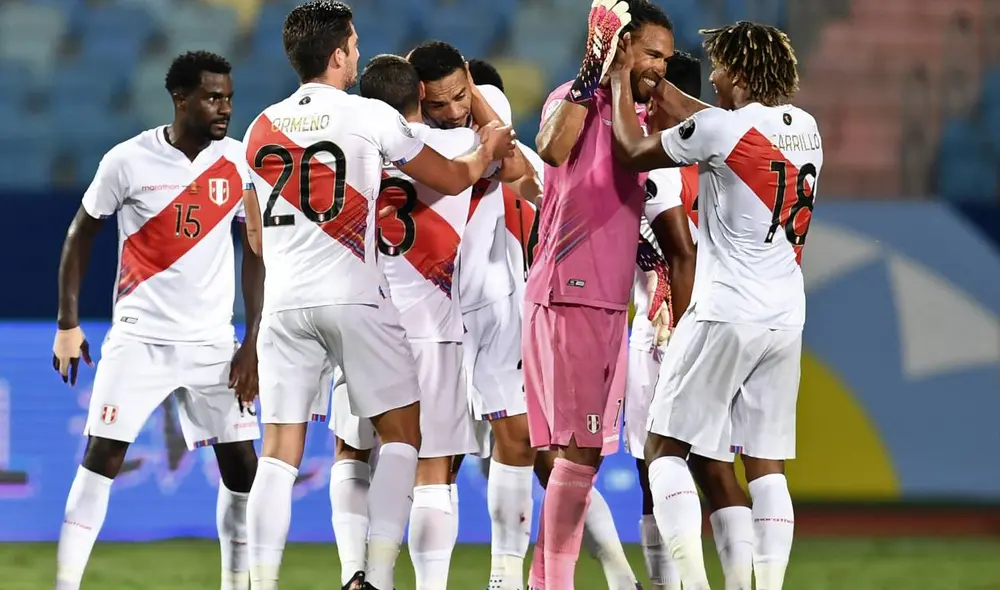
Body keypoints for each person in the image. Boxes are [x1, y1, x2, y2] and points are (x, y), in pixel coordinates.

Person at [239, 3, 515, 590]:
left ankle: (257, 582)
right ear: (338, 54)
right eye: (354, 44)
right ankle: (377, 578)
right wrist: (487, 146)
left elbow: (256, 238)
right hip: (357, 300)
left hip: (285, 306)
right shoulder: (368, 114)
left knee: (279, 452)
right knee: (402, 437)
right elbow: (454, 176)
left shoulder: (258, 128)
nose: (358, 54)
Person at [609, 21, 821, 590]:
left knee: (664, 450)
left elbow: (631, 151)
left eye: (723, 66)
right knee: (766, 465)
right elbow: (719, 121)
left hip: (725, 310)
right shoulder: (806, 128)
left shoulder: (718, 130)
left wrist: (619, 83)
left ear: (743, 74)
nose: (716, 75)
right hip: (786, 317)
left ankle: (694, 586)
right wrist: (659, 88)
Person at [51, 50, 264, 590]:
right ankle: (65, 584)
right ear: (181, 99)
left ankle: (237, 585)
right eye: (213, 98)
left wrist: (253, 340)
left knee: (244, 470)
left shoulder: (239, 163)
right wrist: (67, 323)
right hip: (139, 340)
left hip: (214, 344)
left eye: (229, 98)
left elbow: (258, 253)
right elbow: (82, 233)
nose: (224, 109)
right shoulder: (127, 160)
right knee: (102, 456)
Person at [328, 53, 513, 590]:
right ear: (421, 98)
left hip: (365, 319)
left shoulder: (350, 152)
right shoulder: (458, 146)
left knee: (352, 450)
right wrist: (469, 91)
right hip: (434, 328)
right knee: (433, 471)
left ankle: (356, 575)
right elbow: (503, 142)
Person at [524, 1, 674, 588]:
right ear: (623, 46)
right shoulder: (576, 96)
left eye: (667, 58)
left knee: (574, 457)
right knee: (578, 456)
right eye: (651, 53)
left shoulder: (643, 118)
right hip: (571, 293)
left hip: (608, 302)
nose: (660, 67)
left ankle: (545, 582)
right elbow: (551, 149)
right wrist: (594, 72)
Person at [407, 41, 541, 590]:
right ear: (418, 98)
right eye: (438, 103)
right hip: (431, 308)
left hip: (493, 301)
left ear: (469, 79)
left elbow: (516, 169)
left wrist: (478, 104)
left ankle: (505, 577)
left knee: (520, 435)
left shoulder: (486, 105)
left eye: (460, 94)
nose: (454, 109)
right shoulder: (405, 134)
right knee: (434, 458)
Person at [628, 51, 755, 590]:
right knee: (714, 465)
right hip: (728, 321)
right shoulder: (725, 160)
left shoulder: (656, 165)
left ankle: (669, 584)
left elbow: (680, 253)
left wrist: (677, 332)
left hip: (669, 327)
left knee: (653, 465)